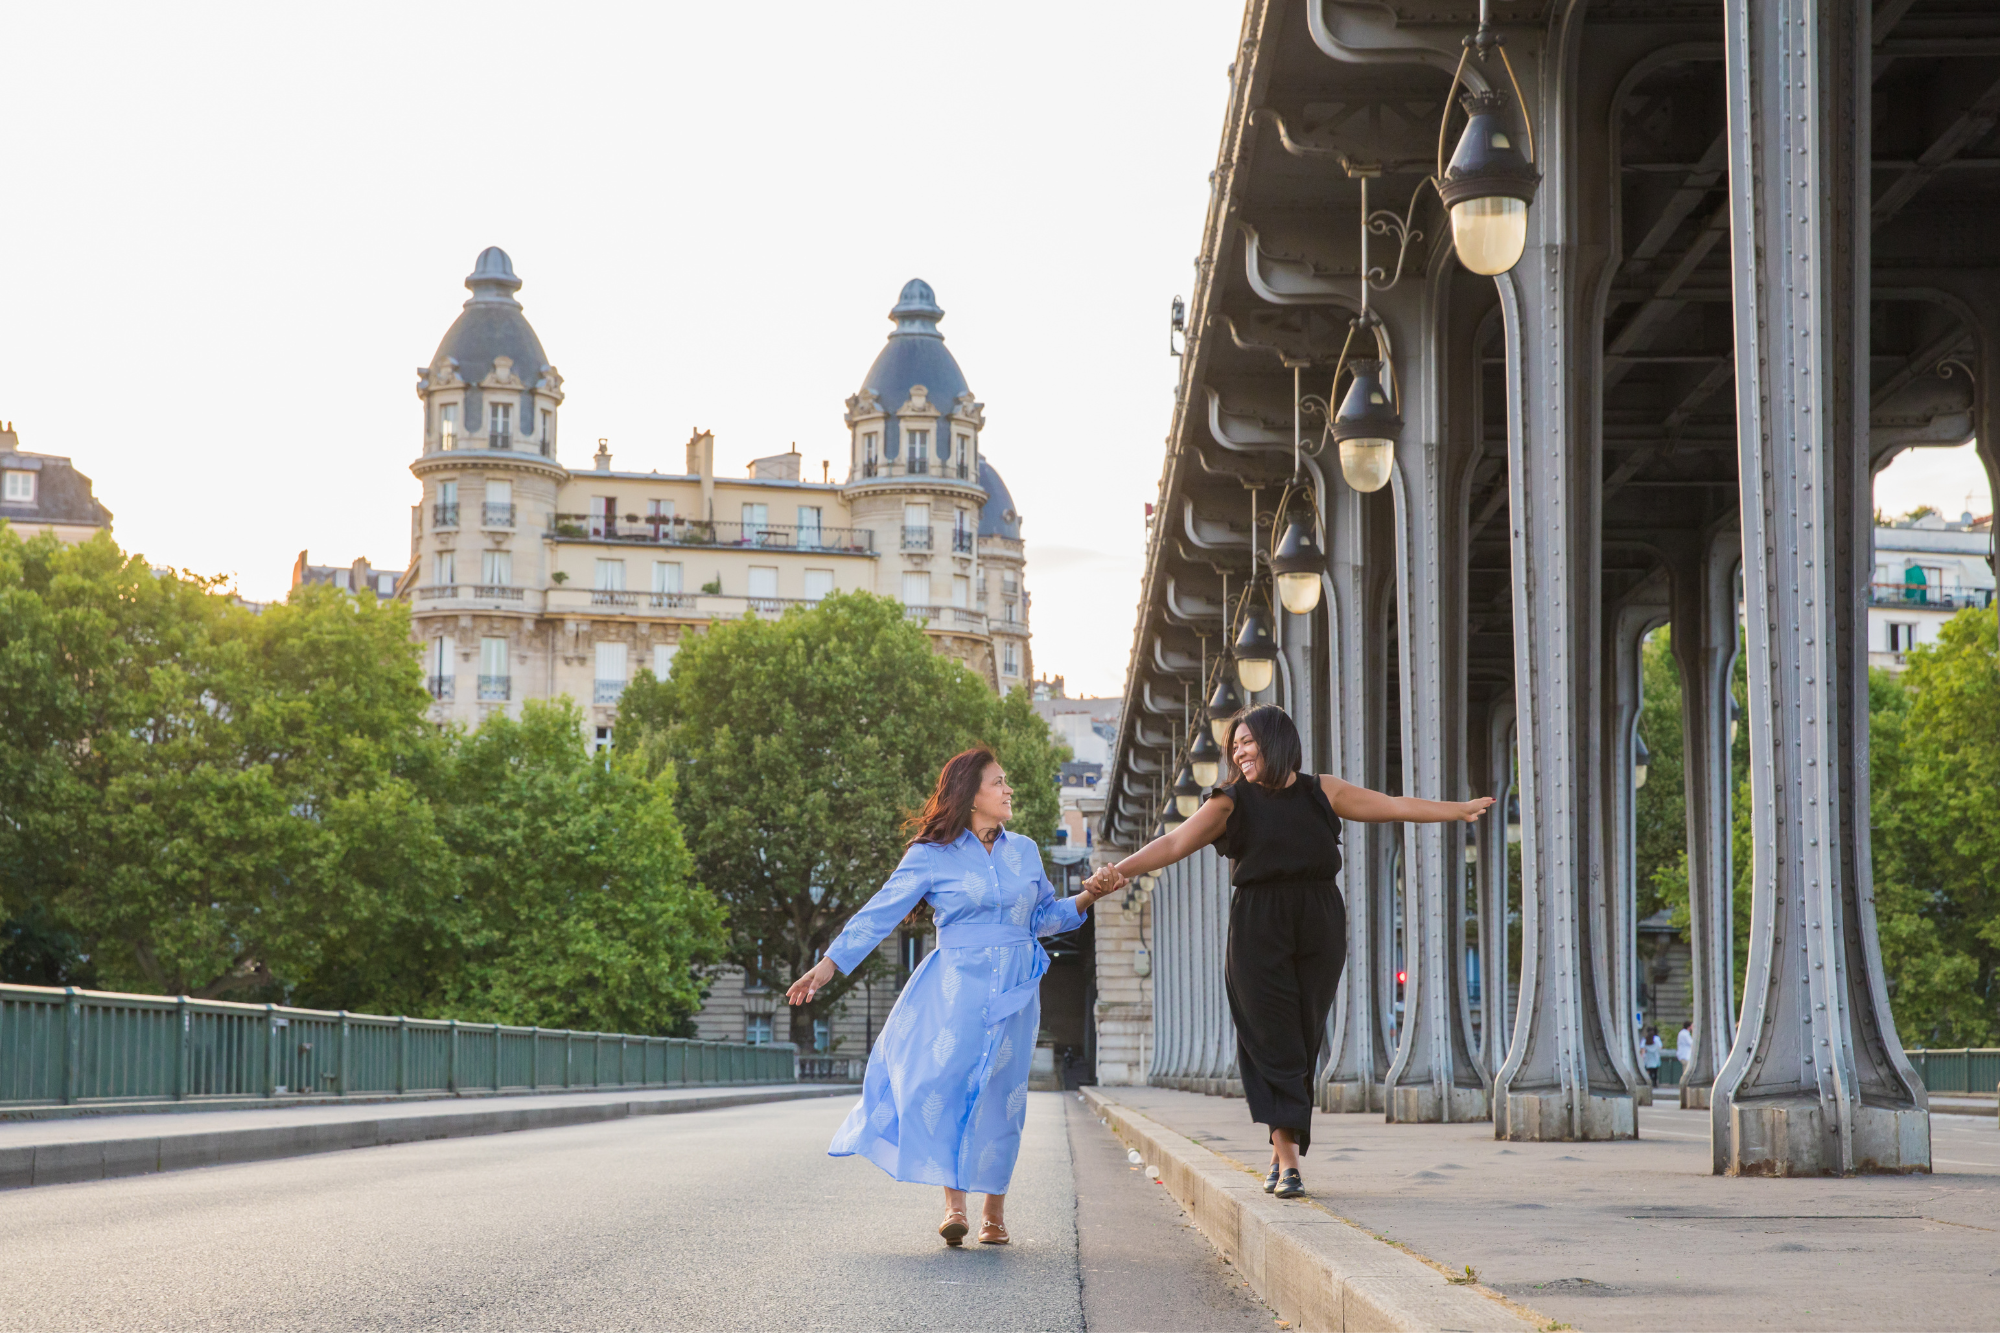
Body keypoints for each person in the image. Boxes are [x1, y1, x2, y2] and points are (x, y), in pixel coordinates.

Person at [1083, 705, 1491, 1199]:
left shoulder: (1323, 790)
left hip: (1320, 920)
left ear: (1276, 740)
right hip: (1258, 925)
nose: (1239, 753)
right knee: (1272, 1040)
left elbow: (1393, 805)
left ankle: (1280, 1154)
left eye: (1247, 743)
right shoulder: (1229, 802)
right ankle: (1292, 1164)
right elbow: (1171, 844)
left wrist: (1457, 810)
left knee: (1302, 1040)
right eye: (1234, 747)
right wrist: (1115, 874)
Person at [786, 746, 1120, 1247]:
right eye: (999, 783)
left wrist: (1092, 893)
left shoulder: (1025, 850)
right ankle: (954, 1205)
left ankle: (993, 1213)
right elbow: (881, 910)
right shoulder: (930, 854)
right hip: (954, 985)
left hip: (1016, 987)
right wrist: (830, 963)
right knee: (946, 1082)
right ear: (970, 796)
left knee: (1003, 1095)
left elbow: (1045, 918)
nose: (1009, 790)